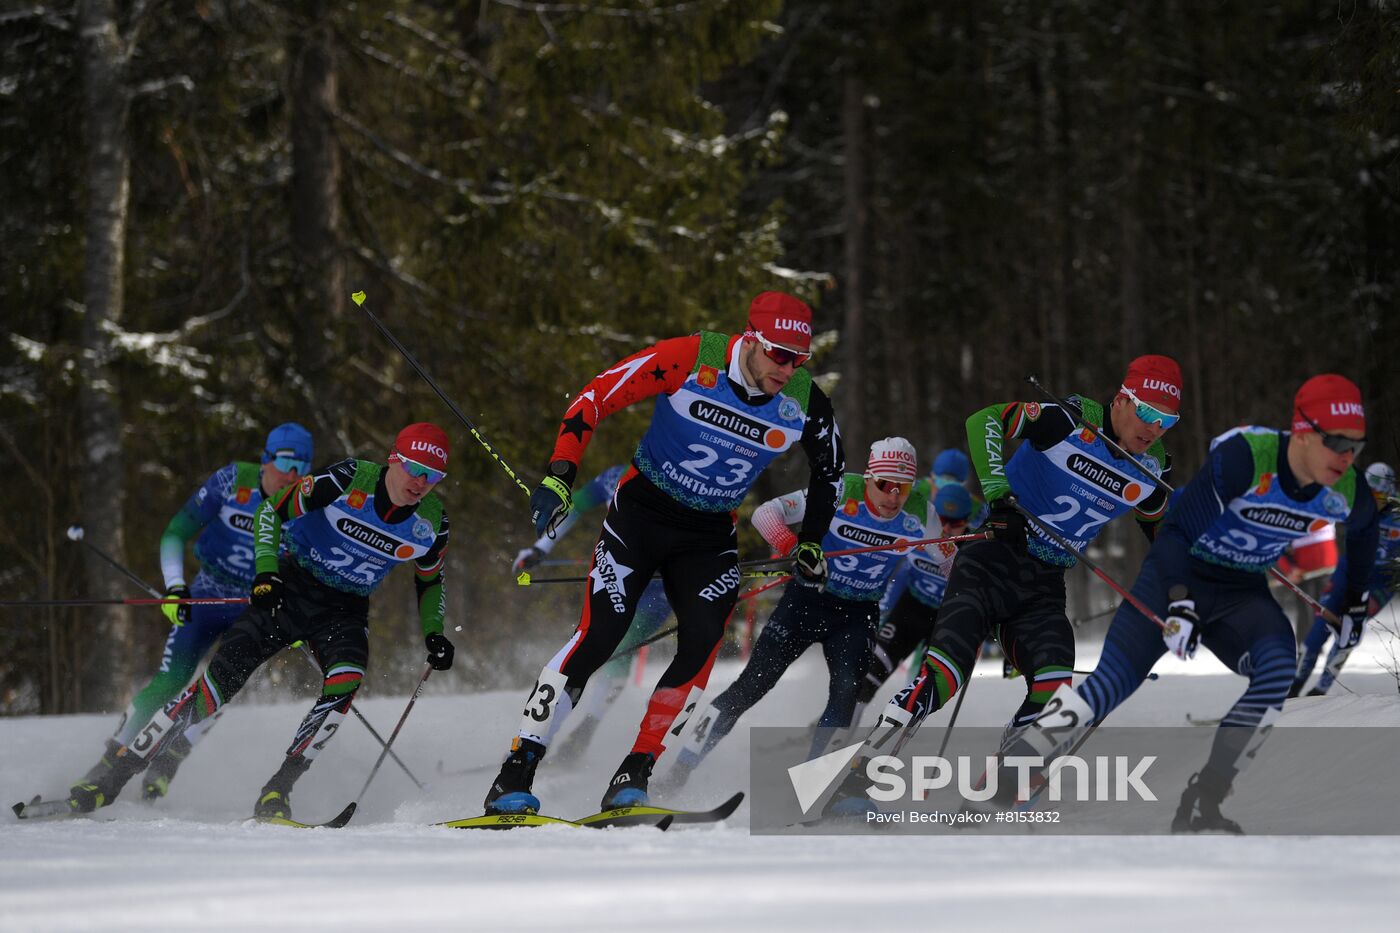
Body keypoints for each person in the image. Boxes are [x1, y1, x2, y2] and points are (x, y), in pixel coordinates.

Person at [483, 290, 844, 815]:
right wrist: (561, 476)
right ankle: (516, 770)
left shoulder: (806, 402)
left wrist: (811, 539)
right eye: (778, 354)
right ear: (750, 339)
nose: (787, 369)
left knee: (702, 641)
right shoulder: (691, 358)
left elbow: (831, 470)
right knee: (598, 637)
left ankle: (636, 771)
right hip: (641, 515)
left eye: (799, 358)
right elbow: (594, 397)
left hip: (708, 535)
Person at [1009, 374, 1378, 833]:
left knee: (1278, 669)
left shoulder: (1346, 487)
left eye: (1356, 448)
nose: (1347, 458)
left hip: (1240, 592)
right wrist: (1180, 603)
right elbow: (1176, 534)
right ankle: (1010, 775)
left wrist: (1353, 603)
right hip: (1176, 576)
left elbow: (1366, 531)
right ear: (1302, 431)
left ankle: (1204, 801)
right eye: (1338, 443)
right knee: (1109, 686)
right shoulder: (1247, 457)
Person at [828, 356, 1180, 815]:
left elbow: (1163, 535)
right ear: (1120, 401)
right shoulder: (1068, 420)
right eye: (1147, 413)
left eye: (1167, 420)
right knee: (943, 678)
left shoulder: (1151, 472)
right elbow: (984, 420)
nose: (1154, 428)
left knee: (1054, 687)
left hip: (1043, 586)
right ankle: (854, 783)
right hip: (990, 563)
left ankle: (996, 791)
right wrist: (997, 494)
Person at [64, 423, 456, 820]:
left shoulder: (433, 522)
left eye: (434, 476)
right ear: (394, 459)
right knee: (212, 690)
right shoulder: (348, 478)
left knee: (346, 682)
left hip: (345, 608)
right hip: (290, 587)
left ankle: (277, 790)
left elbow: (430, 580)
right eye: (415, 469)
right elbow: (271, 511)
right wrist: (266, 572)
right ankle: (112, 778)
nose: (422, 482)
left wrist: (434, 633)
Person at [660, 438, 953, 791]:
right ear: (870, 476)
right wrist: (794, 547)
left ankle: (813, 788)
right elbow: (766, 513)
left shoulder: (922, 512)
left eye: (902, 488)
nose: (893, 496)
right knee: (751, 686)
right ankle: (680, 769)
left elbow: (947, 559)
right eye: (884, 485)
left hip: (857, 615)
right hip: (807, 601)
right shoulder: (841, 488)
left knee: (846, 694)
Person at [74, 423, 313, 802]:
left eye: (302, 467)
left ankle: (169, 761)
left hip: (255, 608)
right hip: (206, 594)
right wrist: (175, 587)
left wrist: (295, 615)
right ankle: (109, 759)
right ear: (266, 459)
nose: (292, 475)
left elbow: (307, 568)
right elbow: (175, 532)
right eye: (286, 462)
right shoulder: (234, 480)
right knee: (171, 681)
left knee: (219, 687)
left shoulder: (305, 501)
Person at [513, 464, 676, 762]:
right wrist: (540, 548)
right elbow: (573, 507)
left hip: (659, 587)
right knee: (588, 646)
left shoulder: (682, 480)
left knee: (623, 644)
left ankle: (585, 731)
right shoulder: (613, 476)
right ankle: (531, 743)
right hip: (622, 572)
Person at [853, 482, 974, 725]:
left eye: (957, 522)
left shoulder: (974, 547)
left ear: (968, 521)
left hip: (945, 620)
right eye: (943, 520)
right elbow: (891, 571)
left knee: (923, 688)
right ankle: (839, 728)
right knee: (871, 673)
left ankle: (894, 733)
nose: (949, 529)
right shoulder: (920, 533)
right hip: (910, 610)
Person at [1289, 461, 1399, 697]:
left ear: (1389, 495)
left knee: (1349, 632)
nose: (1373, 499)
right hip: (1347, 573)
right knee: (1319, 628)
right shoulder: (1356, 502)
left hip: (1380, 583)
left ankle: (1320, 690)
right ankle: (1294, 687)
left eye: (1379, 495)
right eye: (1369, 493)